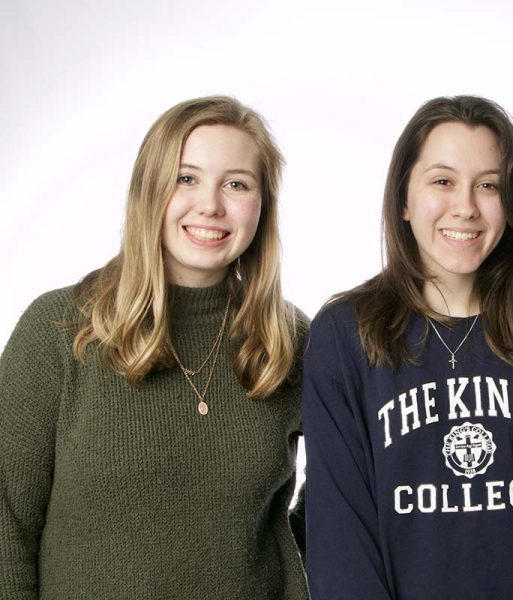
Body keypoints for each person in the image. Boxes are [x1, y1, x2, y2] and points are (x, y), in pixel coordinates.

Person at [0, 96, 309, 599]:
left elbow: (352, 488)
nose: (210, 204)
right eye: (186, 178)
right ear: (149, 190)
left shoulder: (288, 341)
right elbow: (4, 522)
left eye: (236, 184)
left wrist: (289, 561)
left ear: (263, 205)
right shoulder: (60, 330)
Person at [302, 95, 513, 599]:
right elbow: (340, 537)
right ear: (404, 200)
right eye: (442, 181)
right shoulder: (344, 335)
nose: (466, 206)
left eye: (488, 185)